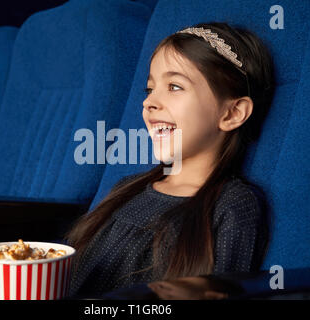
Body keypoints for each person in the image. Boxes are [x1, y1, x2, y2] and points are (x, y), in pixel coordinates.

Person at [65, 22, 276, 299]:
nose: (149, 102)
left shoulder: (233, 206)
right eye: (149, 89)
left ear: (232, 113)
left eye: (174, 86)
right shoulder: (127, 189)